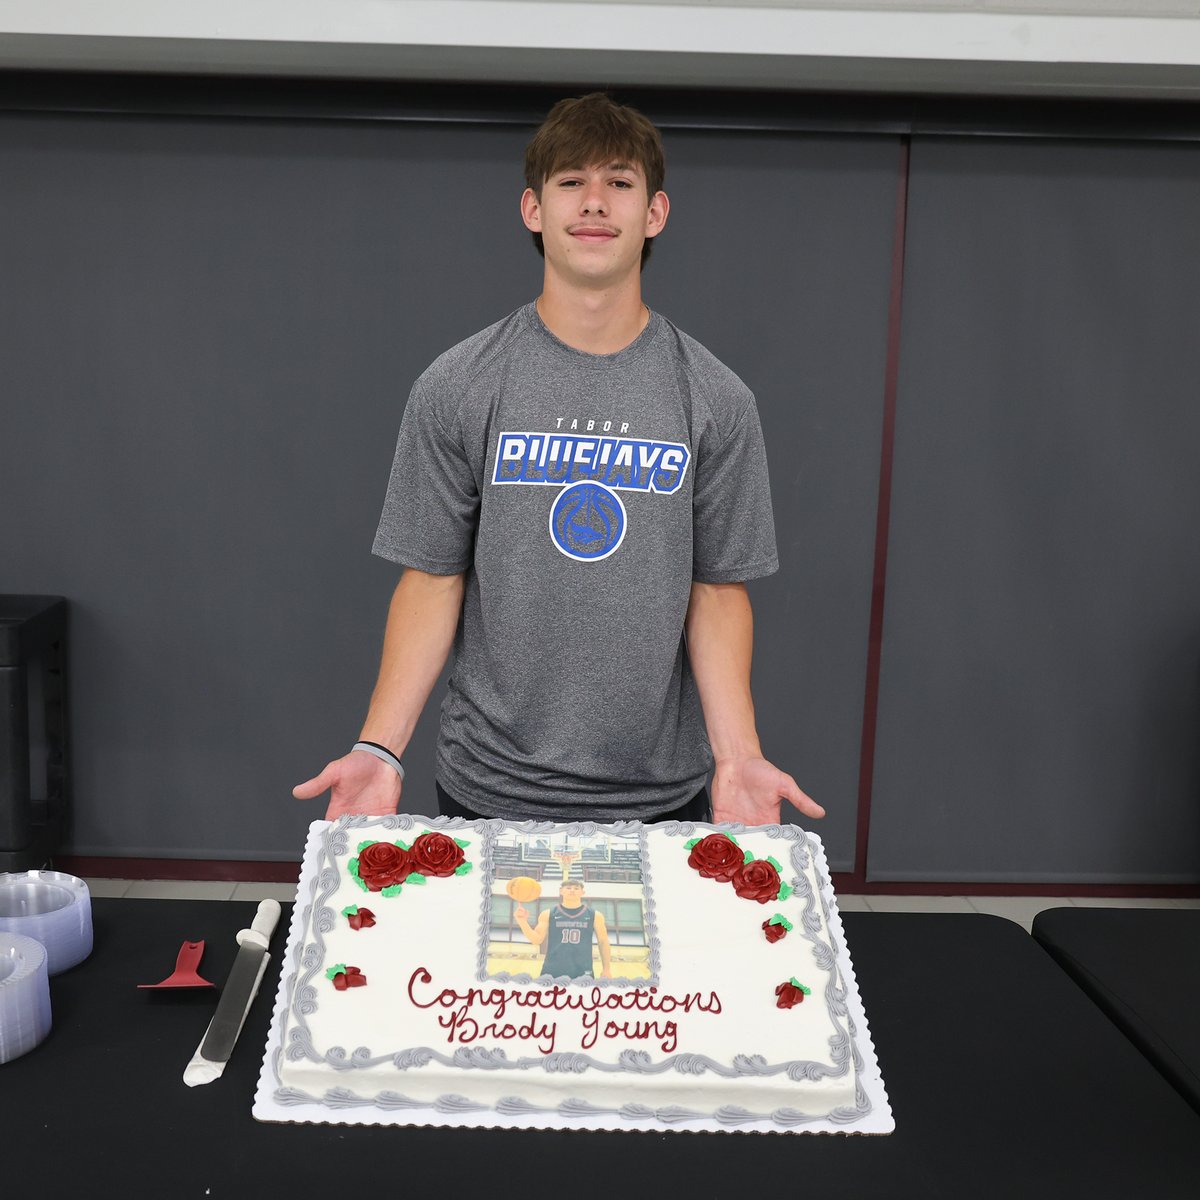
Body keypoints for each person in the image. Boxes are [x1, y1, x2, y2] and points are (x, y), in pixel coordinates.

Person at [294, 92, 825, 829]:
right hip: (487, 785)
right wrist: (380, 748)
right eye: (571, 182)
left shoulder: (715, 396)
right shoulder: (458, 383)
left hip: (659, 795)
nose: (595, 201)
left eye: (620, 182)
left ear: (656, 213)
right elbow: (432, 577)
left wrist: (738, 755)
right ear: (534, 210)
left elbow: (717, 591)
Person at [514, 880, 612, 980]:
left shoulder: (595, 915)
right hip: (552, 970)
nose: (572, 890)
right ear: (561, 891)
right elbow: (537, 940)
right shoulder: (548, 913)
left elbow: (603, 942)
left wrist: (606, 969)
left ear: (583, 892)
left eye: (576, 888)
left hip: (582, 970)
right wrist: (522, 922)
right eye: (568, 888)